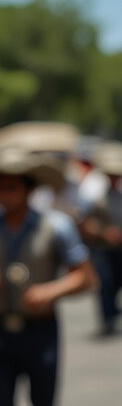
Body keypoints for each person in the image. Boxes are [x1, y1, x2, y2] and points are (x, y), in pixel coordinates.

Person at [0, 149, 96, 406]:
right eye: (0, 188)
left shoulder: (56, 226)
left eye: (12, 188)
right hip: (0, 329)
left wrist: (51, 291)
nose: (4, 195)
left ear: (29, 191)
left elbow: (86, 277)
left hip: (41, 330)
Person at [80, 141, 122, 336]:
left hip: (119, 250)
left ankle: (113, 312)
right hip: (102, 248)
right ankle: (107, 318)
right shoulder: (94, 195)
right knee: (105, 283)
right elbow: (86, 223)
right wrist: (104, 233)